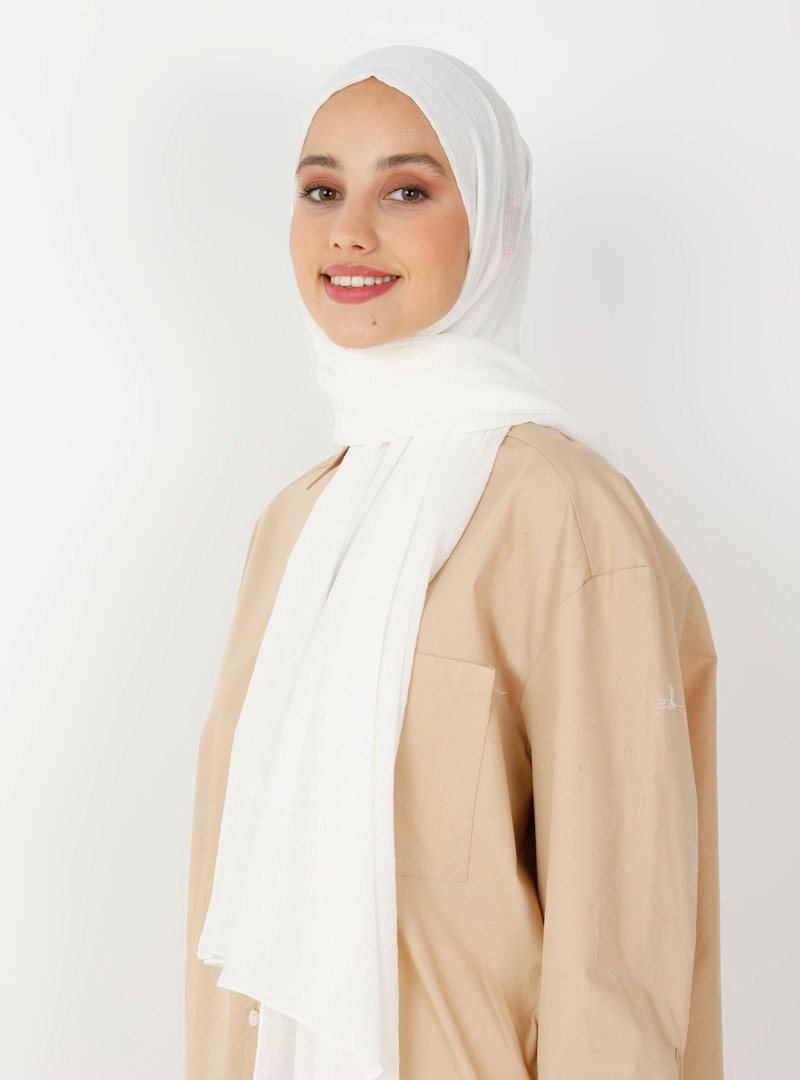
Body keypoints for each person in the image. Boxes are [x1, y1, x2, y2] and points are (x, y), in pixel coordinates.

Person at [185, 45, 723, 1080]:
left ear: (494, 226)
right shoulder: (295, 526)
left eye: (406, 190)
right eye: (321, 189)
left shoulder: (563, 515)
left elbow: (617, 956)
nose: (349, 230)